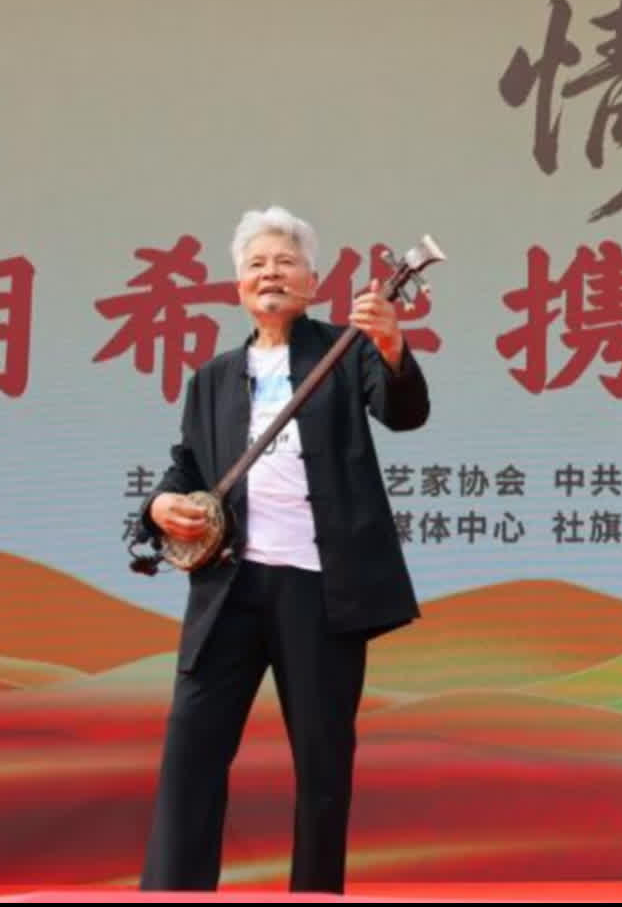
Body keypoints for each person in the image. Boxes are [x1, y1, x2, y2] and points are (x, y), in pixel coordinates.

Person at [135, 205, 430, 893]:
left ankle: (314, 894)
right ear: (239, 285)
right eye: (257, 264)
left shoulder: (345, 350)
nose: (271, 273)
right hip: (228, 590)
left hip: (320, 589)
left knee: (323, 766)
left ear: (313, 282)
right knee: (190, 754)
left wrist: (390, 347)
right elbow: (188, 466)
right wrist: (158, 506)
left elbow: (404, 413)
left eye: (286, 262)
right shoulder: (213, 377)